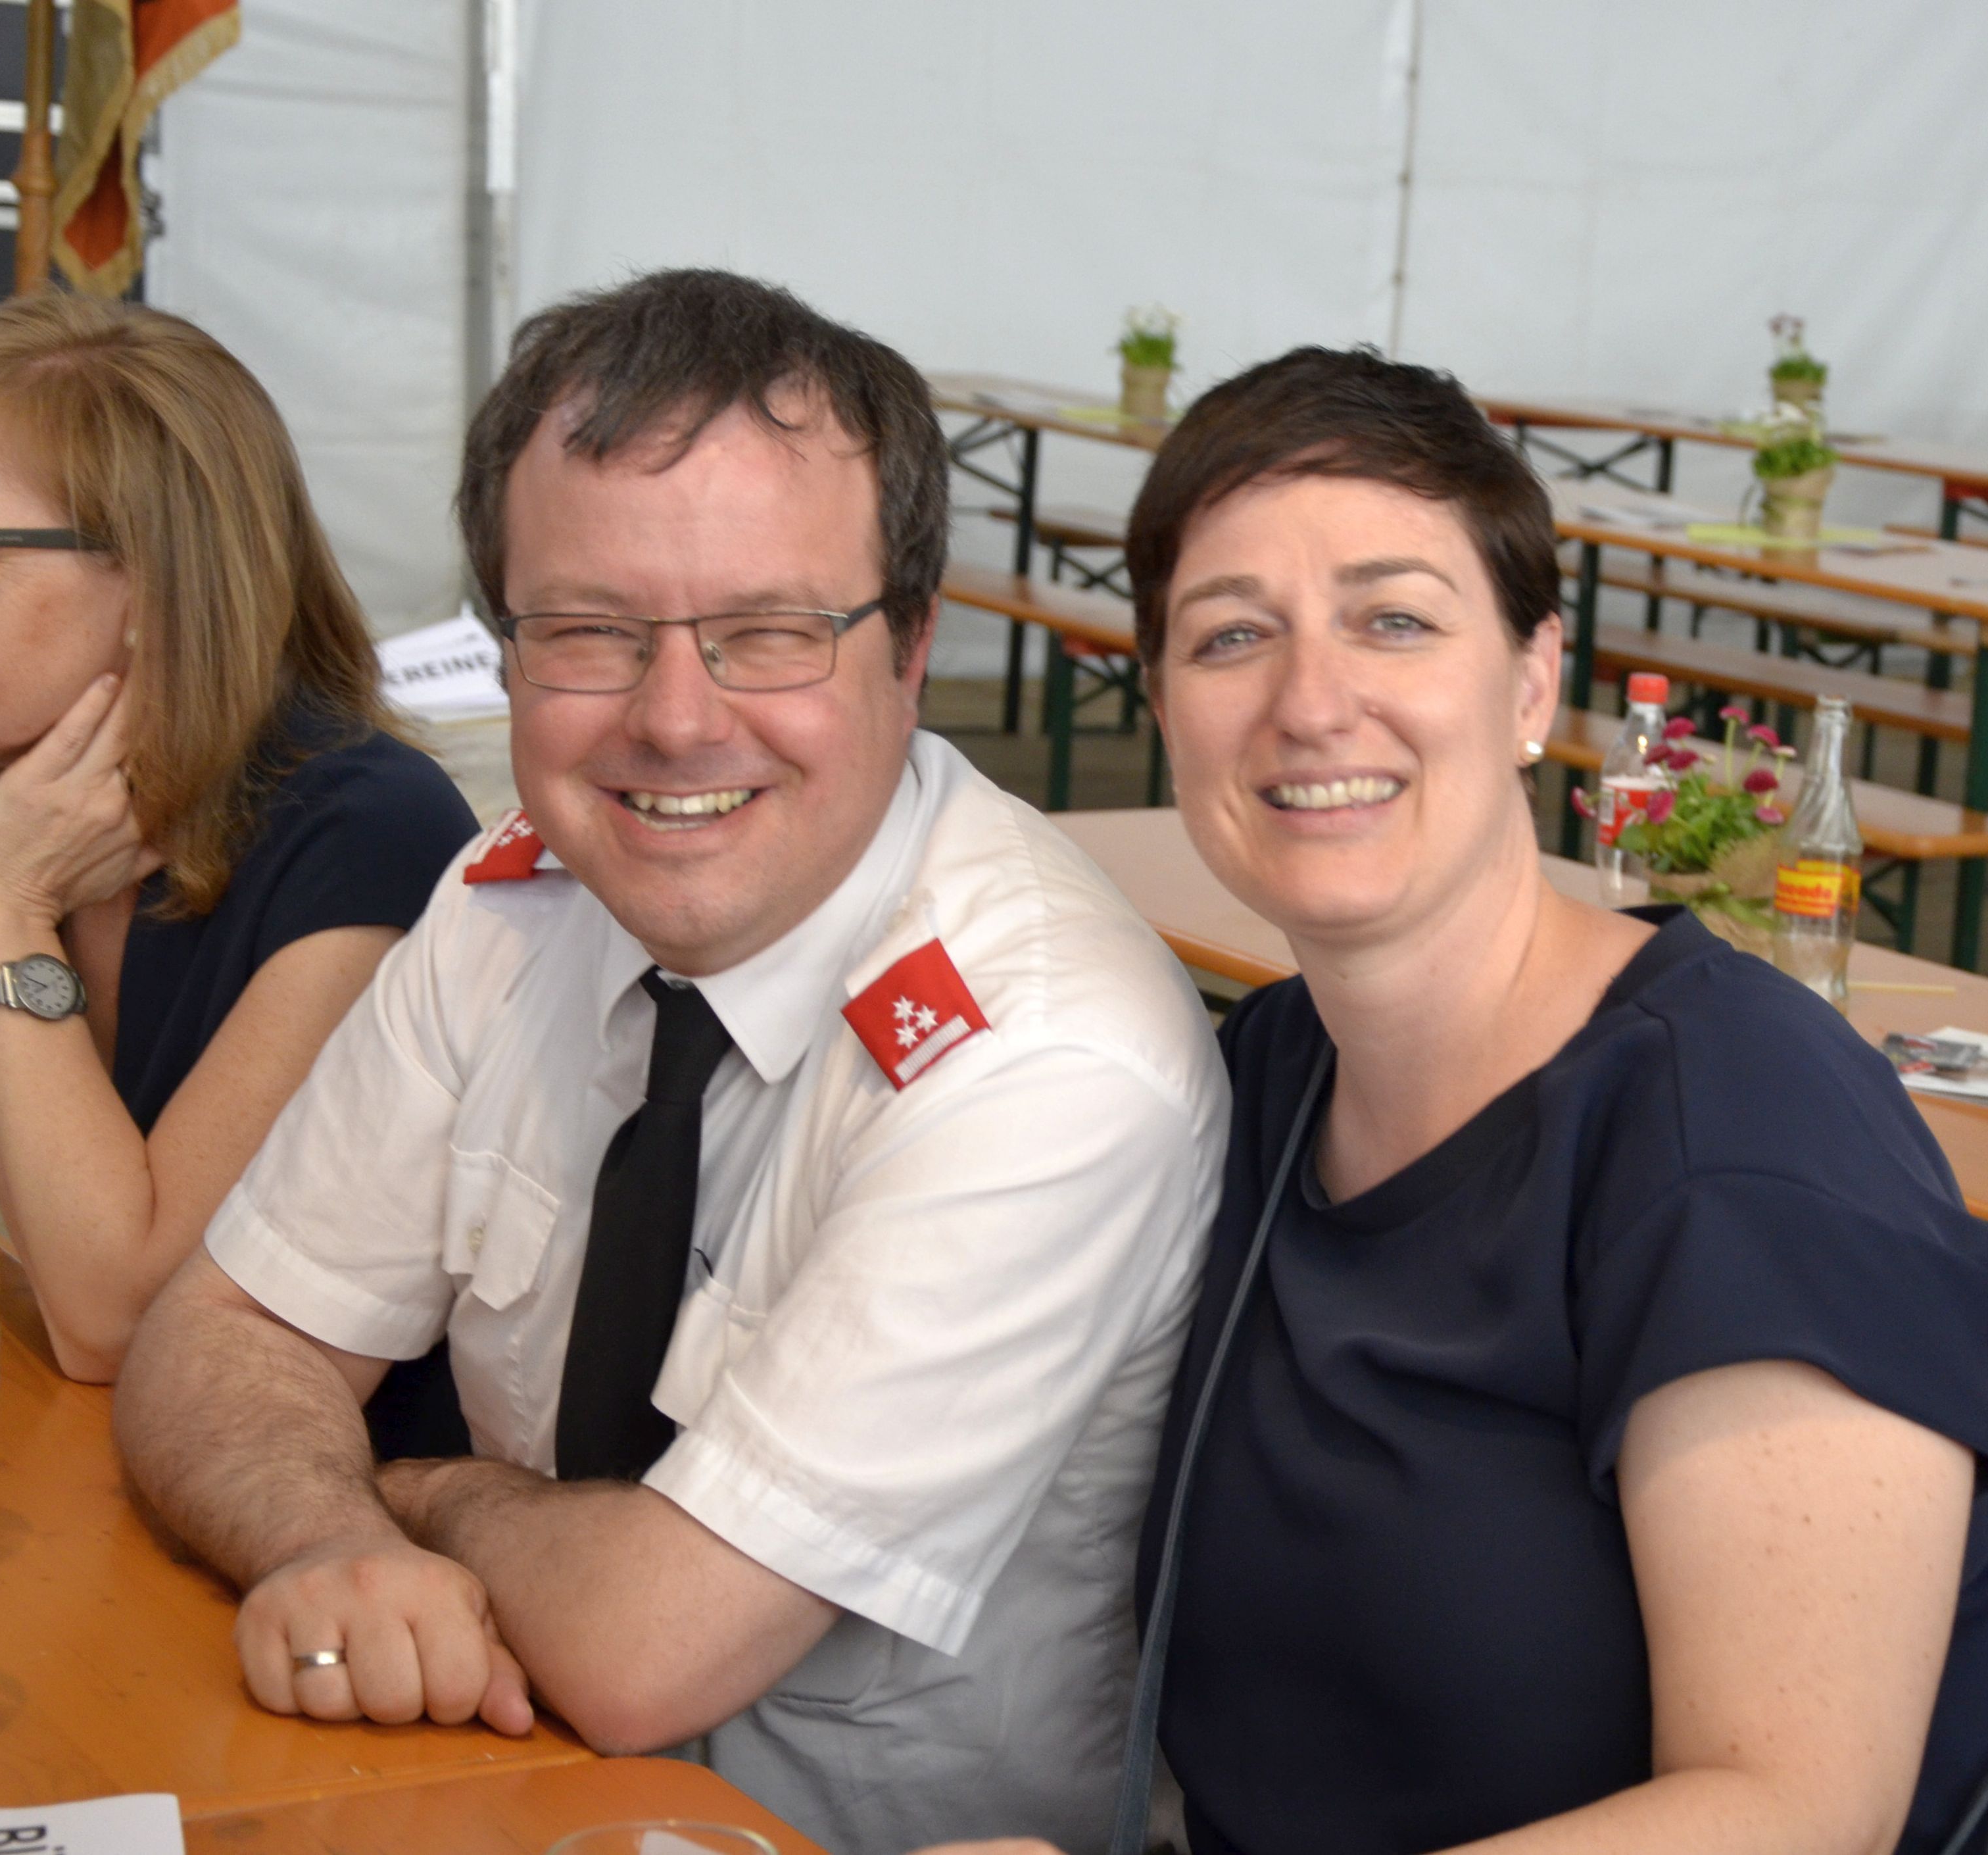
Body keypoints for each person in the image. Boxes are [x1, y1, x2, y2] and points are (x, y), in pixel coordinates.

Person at [112, 268, 1227, 1855]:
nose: (677, 721)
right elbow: (216, 1339)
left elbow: (649, 1652)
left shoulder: (1048, 1051)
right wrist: (318, 1535)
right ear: (505, 650)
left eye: (769, 633)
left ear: (910, 649)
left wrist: (413, 1493)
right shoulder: (515, 899)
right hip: (477, 1792)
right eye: (589, 632)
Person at [930, 347, 1988, 1855]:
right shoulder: (1263, 1072)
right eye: (1229, 636)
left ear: (1530, 682)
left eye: (1392, 620)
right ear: (1162, 703)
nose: (1308, 702)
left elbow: (1794, 1812)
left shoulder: (1738, 1144)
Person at [0, 293, 477, 1383]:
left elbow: (121, 1317)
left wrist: (2, 907)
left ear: (154, 580)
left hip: (330, 1484)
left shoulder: (368, 839)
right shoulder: (62, 794)